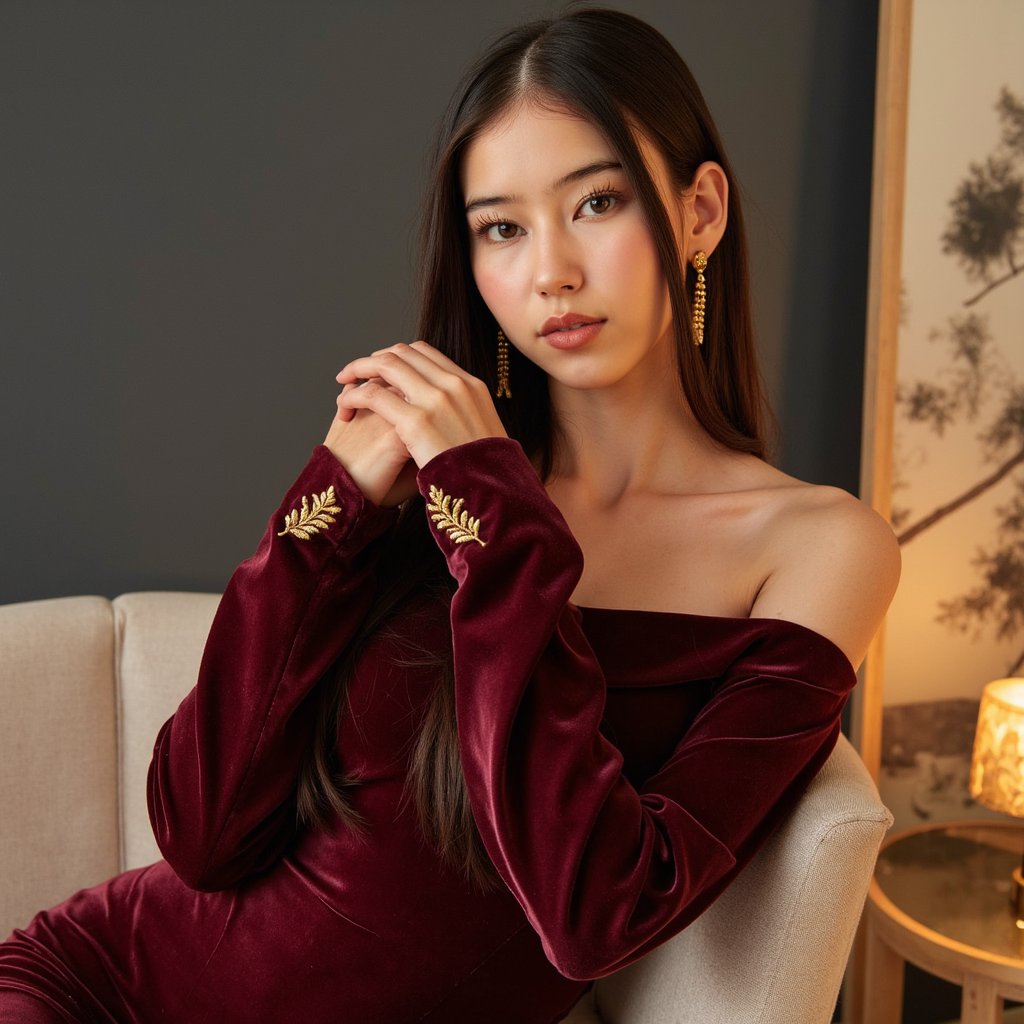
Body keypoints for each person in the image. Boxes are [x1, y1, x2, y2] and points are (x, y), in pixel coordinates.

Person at [0, 6, 900, 1022]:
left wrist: (499, 518)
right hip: (97, 985)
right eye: (501, 228)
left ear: (699, 212)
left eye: (596, 202)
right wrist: (325, 503)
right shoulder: (428, 486)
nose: (549, 268)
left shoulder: (816, 547)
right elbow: (201, 833)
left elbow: (596, 912)